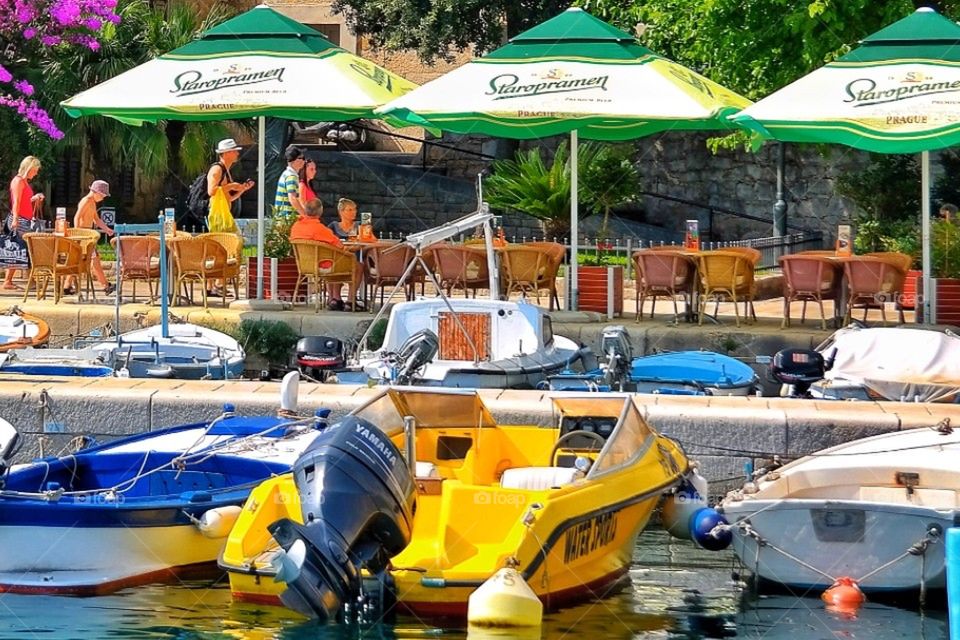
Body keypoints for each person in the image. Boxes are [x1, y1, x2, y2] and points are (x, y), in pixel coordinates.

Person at [290, 199, 362, 311]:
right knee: (356, 265)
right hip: (323, 267)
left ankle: (335, 299)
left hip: (305, 266)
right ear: (320, 211)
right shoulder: (321, 230)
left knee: (335, 260)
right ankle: (350, 301)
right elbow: (340, 247)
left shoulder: (295, 227)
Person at [68, 180, 116, 296]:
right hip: (84, 236)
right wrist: (77, 234)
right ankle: (105, 285)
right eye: (103, 195)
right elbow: (77, 217)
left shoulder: (92, 203)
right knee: (95, 260)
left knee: (79, 261)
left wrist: (107, 229)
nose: (103, 198)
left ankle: (67, 286)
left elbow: (96, 219)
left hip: (87, 235)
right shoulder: (86, 201)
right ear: (96, 192)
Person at [4, 156, 44, 291]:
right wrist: (15, 218)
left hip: (24, 219)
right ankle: (28, 281)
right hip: (19, 219)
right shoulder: (18, 181)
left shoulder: (24, 182)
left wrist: (35, 197)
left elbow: (26, 200)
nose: (36, 173)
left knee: (20, 250)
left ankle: (11, 281)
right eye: (35, 170)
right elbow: (16, 201)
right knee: (24, 249)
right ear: (30, 168)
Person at [207, 138, 254, 227]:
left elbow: (228, 198)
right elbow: (211, 191)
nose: (237, 153)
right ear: (227, 153)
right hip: (216, 215)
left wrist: (242, 189)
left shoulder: (226, 170)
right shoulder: (217, 169)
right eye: (234, 151)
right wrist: (232, 186)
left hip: (224, 214)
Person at [275, 145, 306, 219]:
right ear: (292, 160)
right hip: (286, 219)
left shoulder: (287, 174)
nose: (303, 161)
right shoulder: (291, 177)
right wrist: (305, 215)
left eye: (303, 158)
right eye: (300, 158)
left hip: (283, 218)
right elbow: (292, 198)